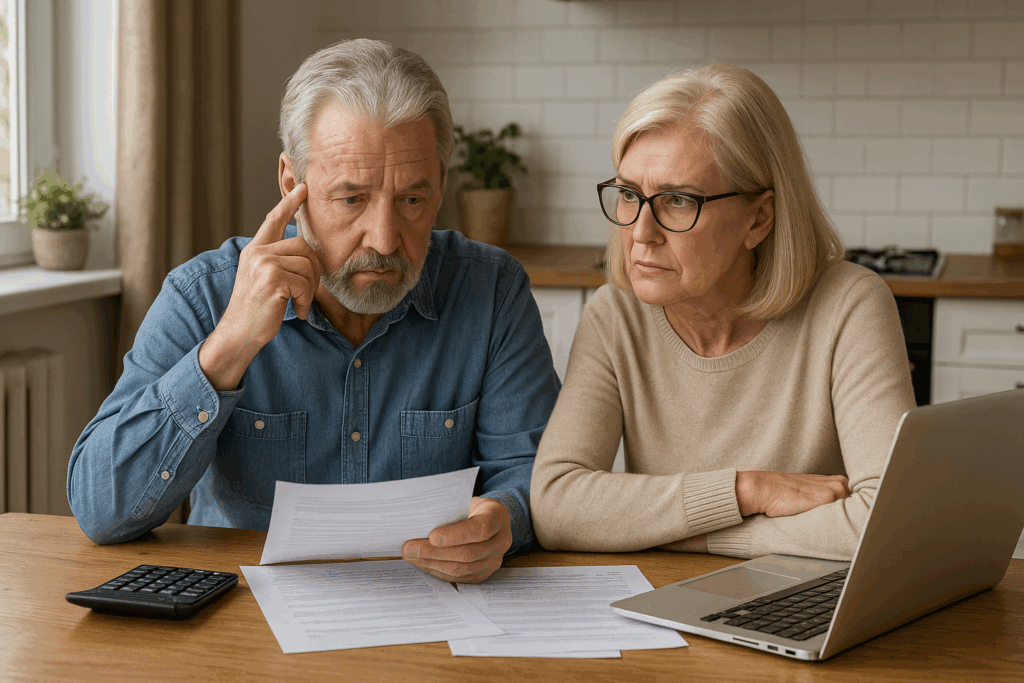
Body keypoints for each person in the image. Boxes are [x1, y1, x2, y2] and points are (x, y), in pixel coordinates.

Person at [68, 39, 560, 584]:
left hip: (433, 617)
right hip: (245, 622)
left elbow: (531, 473)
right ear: (290, 184)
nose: (384, 237)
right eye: (351, 199)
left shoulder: (491, 291)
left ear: (440, 186)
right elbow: (99, 509)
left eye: (412, 200)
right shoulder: (202, 295)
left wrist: (502, 519)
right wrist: (226, 349)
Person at [530, 63, 915, 561]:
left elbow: (887, 523)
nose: (641, 232)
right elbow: (557, 505)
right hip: (666, 604)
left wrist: (693, 535)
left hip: (805, 607)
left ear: (758, 219)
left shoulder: (849, 305)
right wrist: (744, 491)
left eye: (677, 201)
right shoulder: (615, 316)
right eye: (628, 194)